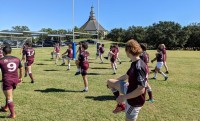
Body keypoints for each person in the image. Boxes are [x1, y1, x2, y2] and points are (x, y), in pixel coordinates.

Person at [107, 39, 147, 121]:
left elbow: (141, 90)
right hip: (129, 89)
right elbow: (126, 76)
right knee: (110, 82)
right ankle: (121, 105)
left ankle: (123, 105)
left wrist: (124, 97)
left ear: (128, 51)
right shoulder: (134, 63)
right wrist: (115, 82)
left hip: (135, 100)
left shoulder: (139, 66)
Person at [0, 45, 23, 119]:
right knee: (9, 93)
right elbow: (21, 68)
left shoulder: (1, 60)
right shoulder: (17, 59)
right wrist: (21, 77)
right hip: (15, 80)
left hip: (7, 80)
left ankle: (12, 114)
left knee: (9, 97)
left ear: (3, 52)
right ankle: (6, 107)